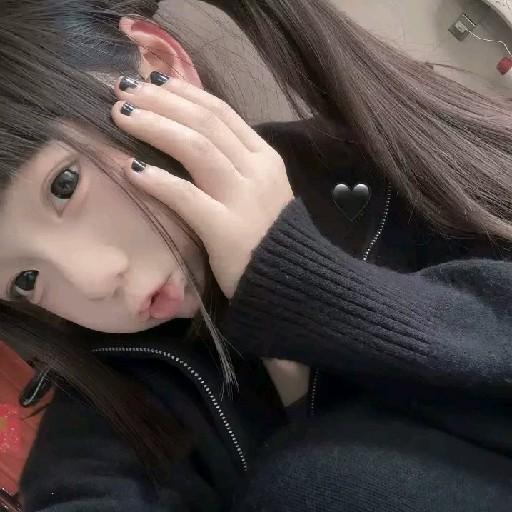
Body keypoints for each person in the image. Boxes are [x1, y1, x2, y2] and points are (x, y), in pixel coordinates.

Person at [0, 0, 511, 510]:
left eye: (64, 185)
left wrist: (304, 286)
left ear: (159, 65)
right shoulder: (111, 406)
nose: (91, 282)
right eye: (25, 279)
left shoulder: (393, 166)